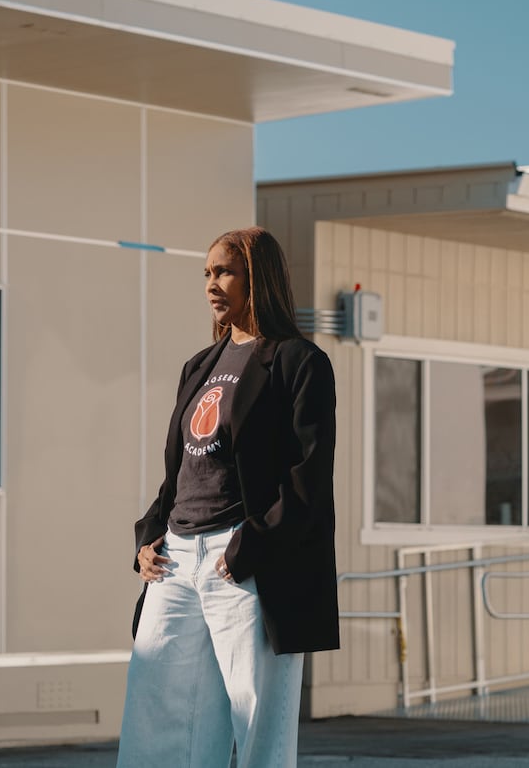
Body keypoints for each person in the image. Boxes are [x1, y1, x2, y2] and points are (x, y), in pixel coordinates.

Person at [117, 226, 338, 768]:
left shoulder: (298, 362)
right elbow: (182, 474)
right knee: (156, 717)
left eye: (225, 272)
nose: (212, 284)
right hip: (174, 559)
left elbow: (307, 479)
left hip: (243, 559)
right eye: (207, 274)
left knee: (257, 723)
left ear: (257, 277)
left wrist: (248, 549)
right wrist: (149, 537)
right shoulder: (200, 365)